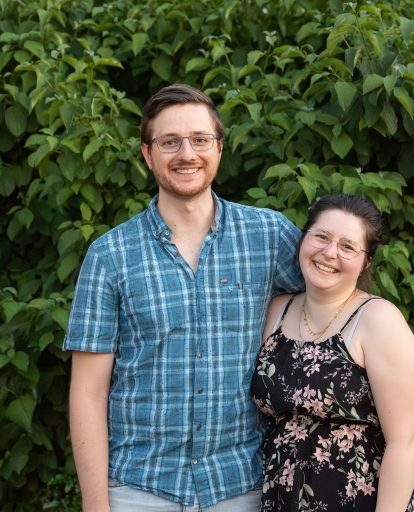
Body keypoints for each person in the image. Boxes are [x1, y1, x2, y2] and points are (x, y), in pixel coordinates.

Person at [64, 83, 303, 511]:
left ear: (219, 148)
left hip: (240, 486)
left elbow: (336, 302)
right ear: (147, 154)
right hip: (138, 489)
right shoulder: (109, 255)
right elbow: (88, 393)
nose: (186, 154)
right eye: (169, 142)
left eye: (199, 139)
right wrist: (95, 505)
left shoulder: (269, 237)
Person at [251, 194, 414, 511]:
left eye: (347, 246)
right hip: (282, 500)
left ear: (366, 262)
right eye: (321, 237)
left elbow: (403, 442)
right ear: (303, 239)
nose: (330, 253)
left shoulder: (377, 320)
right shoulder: (277, 310)